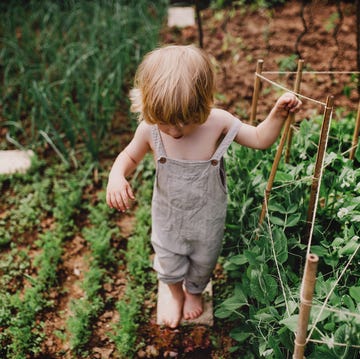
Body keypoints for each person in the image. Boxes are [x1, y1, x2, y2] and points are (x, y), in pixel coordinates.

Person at [106, 44, 302, 328]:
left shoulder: (217, 122)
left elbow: (260, 139)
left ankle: (194, 292)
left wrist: (278, 114)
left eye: (184, 122)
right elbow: (128, 156)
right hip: (168, 219)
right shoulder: (149, 129)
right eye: (165, 123)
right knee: (169, 265)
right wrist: (117, 175)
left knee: (203, 262)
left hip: (207, 220)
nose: (174, 131)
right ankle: (175, 295)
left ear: (203, 103)